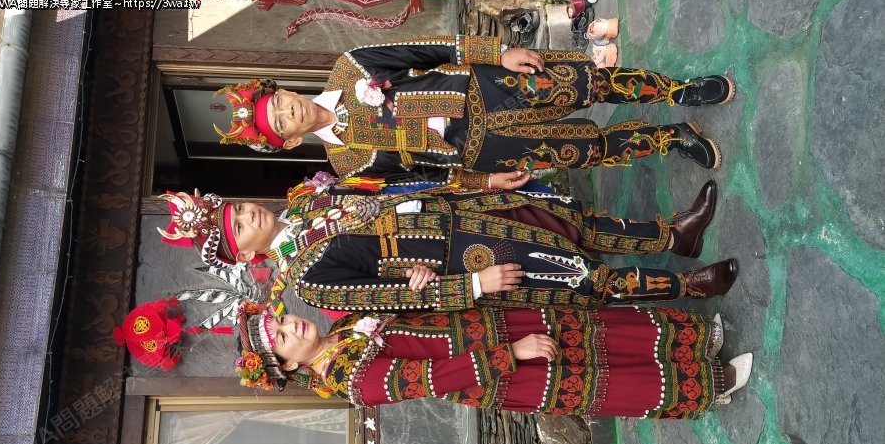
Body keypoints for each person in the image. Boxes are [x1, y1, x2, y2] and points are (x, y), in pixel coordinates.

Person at [213, 35, 733, 190]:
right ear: (287, 140)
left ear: (284, 91)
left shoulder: (349, 68)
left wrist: (495, 54)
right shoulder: (348, 165)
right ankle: (671, 139)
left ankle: (680, 90)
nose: (289, 110)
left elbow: (426, 49)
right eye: (280, 121)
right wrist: (483, 183)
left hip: (485, 87)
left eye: (279, 102)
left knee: (586, 83)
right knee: (584, 149)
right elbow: (420, 181)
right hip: (481, 150)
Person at [159, 180, 737, 313]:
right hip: (464, 264)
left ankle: (675, 235)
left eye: (238, 209)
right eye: (239, 227)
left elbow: (390, 192)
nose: (248, 215)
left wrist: (472, 186)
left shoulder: (308, 202)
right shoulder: (305, 277)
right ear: (246, 254)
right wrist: (473, 286)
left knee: (568, 222)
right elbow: (389, 299)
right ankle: (690, 286)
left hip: (460, 215)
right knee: (578, 276)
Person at [235, 303, 753, 418]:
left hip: (492, 328)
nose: (292, 327)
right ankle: (710, 385)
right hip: (501, 370)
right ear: (289, 366)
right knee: (598, 380)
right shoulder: (354, 382)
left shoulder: (344, 328)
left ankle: (691, 343)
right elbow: (435, 378)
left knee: (591, 333)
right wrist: (512, 353)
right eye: (282, 339)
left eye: (282, 321)